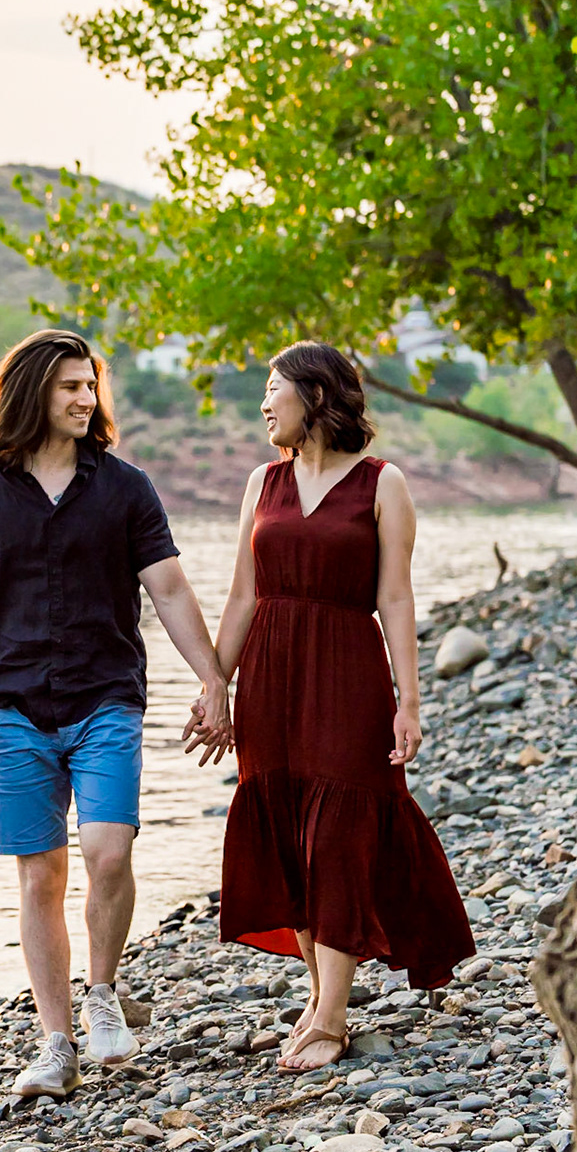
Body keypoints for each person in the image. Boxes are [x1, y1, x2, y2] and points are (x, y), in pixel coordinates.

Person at [0, 328, 233, 1098]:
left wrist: (215, 681)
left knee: (107, 850)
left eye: (90, 386)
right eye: (70, 386)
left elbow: (167, 590)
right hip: (12, 704)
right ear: (31, 392)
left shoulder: (125, 487)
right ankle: (54, 1041)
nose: (85, 398)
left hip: (106, 695)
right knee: (40, 875)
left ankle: (102, 995)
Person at [203, 340, 474, 1073]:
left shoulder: (383, 485)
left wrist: (407, 700)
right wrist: (213, 686)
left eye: (272, 388)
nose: (263, 403)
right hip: (270, 678)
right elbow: (242, 597)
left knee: (340, 837)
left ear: (315, 396)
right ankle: (319, 998)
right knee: (289, 832)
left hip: (347, 674)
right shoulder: (262, 483)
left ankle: (330, 1016)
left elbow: (395, 598)